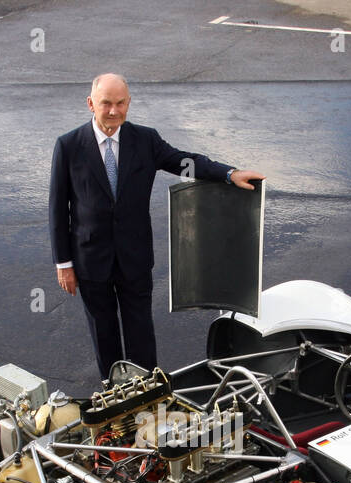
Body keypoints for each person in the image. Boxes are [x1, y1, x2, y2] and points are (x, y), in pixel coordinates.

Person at [49, 73, 264, 380]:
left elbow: (184, 162)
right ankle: (114, 395)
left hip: (134, 257)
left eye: (120, 103)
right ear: (90, 104)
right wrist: (63, 264)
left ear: (129, 103)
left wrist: (229, 174)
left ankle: (149, 395)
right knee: (103, 333)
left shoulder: (145, 140)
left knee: (141, 333)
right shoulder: (69, 146)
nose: (113, 111)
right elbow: (57, 209)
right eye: (106, 103)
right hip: (89, 261)